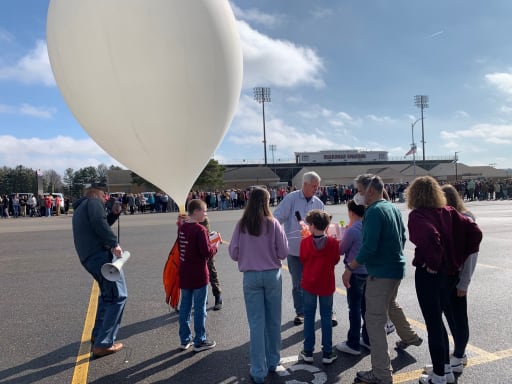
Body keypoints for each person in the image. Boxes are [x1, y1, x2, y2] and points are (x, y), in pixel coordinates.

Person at [342, 174, 422, 384]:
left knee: (374, 321)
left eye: (359, 190)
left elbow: (368, 247)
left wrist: (350, 267)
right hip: (396, 268)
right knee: (391, 305)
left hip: (382, 273)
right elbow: (403, 236)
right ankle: (410, 336)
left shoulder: (374, 211)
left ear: (370, 190)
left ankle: (381, 373)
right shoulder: (391, 207)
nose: (357, 195)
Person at [406, 177, 482, 384]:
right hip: (449, 274)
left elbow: (431, 238)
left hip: (431, 275)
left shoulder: (418, 215)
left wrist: (433, 262)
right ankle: (445, 368)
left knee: (434, 323)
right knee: (439, 321)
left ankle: (439, 374)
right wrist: (456, 260)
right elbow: (475, 233)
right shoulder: (450, 212)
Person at [229, 187, 289, 384]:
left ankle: (258, 371)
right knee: (273, 320)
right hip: (272, 275)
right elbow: (283, 252)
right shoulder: (273, 223)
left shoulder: (242, 224)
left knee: (256, 324)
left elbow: (233, 253)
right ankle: (273, 361)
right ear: (265, 201)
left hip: (251, 276)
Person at [72, 188, 126, 357]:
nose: (106, 199)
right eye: (105, 196)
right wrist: (113, 243)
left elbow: (98, 224)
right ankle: (104, 343)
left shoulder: (82, 207)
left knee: (107, 296)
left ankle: (98, 334)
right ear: (97, 194)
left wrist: (114, 215)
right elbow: (98, 222)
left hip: (89, 257)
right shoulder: (94, 202)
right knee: (118, 297)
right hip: (100, 256)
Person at [273, 171, 326, 326]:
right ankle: (301, 312)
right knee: (298, 283)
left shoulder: (318, 203)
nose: (317, 189)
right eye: (314, 186)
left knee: (316, 281)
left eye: (318, 186)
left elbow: (324, 224)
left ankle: (319, 310)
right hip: (295, 250)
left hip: (314, 250)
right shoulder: (291, 198)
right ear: (305, 184)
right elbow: (277, 218)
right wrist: (276, 239)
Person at [437, 184, 478, 374]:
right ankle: (457, 353)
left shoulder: (465, 219)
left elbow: (472, 255)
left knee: (459, 318)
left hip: (458, 277)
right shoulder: (445, 218)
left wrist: (465, 282)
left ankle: (460, 355)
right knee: (450, 316)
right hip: (446, 277)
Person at [298, 209, 340, 365]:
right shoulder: (333, 243)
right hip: (326, 283)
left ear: (313, 225)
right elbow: (336, 260)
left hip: (309, 283)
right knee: (326, 316)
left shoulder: (305, 242)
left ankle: (308, 350)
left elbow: (303, 259)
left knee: (309, 316)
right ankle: (327, 352)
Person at [177, 199, 218, 352]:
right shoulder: (199, 230)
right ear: (196, 211)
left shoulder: (182, 228)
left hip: (185, 272)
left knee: (185, 307)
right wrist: (215, 245)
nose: (206, 213)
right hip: (198, 273)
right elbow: (206, 253)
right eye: (204, 210)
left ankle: (184, 339)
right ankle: (199, 340)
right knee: (200, 307)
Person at [336, 200, 368, 356]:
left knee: (354, 307)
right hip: (370, 271)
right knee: (366, 307)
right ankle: (368, 339)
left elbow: (341, 250)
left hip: (355, 272)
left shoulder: (352, 230)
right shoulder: (368, 226)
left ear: (351, 212)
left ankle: (353, 342)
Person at [199, 216, 223, 310]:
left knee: (212, 273)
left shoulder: (203, 218)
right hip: (197, 251)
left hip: (206, 249)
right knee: (200, 275)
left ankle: (218, 297)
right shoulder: (191, 216)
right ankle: (204, 299)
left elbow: (206, 234)